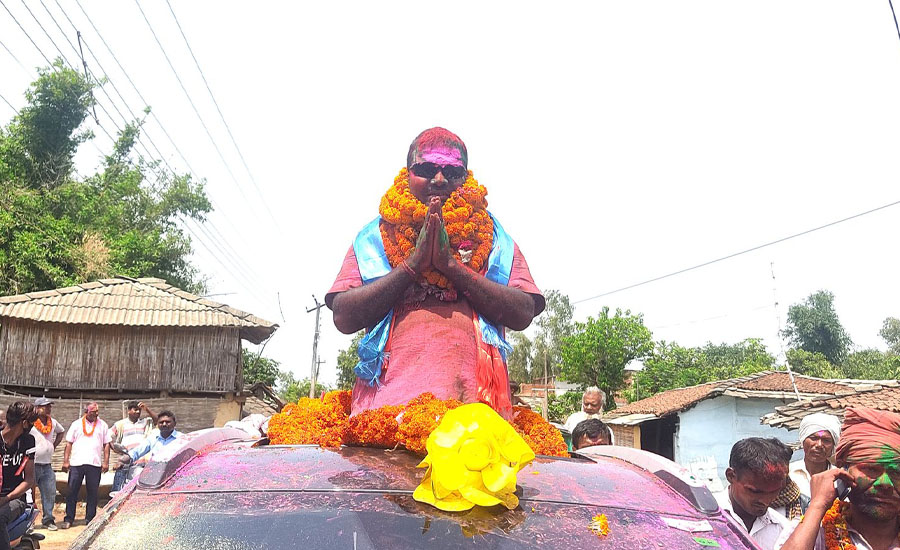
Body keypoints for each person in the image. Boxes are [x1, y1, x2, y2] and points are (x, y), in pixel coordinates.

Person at [327, 127, 545, 418]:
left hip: (475, 421)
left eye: (452, 172)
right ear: (407, 173)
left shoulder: (493, 239)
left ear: (466, 178)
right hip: (385, 418)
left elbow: (523, 313)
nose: (440, 179)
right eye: (427, 168)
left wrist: (450, 267)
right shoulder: (375, 238)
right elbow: (343, 316)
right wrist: (412, 266)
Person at [779, 408, 900, 550]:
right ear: (843, 470)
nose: (885, 484)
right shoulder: (811, 531)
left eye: (897, 472)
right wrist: (818, 505)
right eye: (871, 469)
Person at [716, 437, 793, 550]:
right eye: (755, 491)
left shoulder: (783, 530)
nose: (766, 501)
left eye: (774, 491)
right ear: (731, 476)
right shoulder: (700, 520)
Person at [61, 402, 111, 529]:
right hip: (77, 463)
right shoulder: (76, 424)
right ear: (86, 412)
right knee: (72, 491)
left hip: (94, 464)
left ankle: (90, 519)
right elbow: (69, 443)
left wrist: (106, 462)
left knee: (93, 492)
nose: (96, 414)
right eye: (93, 412)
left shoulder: (103, 425)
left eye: (97, 411)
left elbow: (106, 445)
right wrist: (66, 461)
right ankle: (69, 518)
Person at [0, 402, 38, 550]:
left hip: (16, 498)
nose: (32, 426)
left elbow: (29, 480)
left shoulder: (27, 442)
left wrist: (6, 498)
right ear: (24, 423)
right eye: (32, 422)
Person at [30, 397, 65, 530]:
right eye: (45, 406)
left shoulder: (53, 422)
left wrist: (53, 445)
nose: (48, 408)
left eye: (50, 406)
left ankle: (48, 520)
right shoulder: (30, 422)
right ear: (37, 408)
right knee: (29, 494)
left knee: (50, 492)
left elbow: (61, 432)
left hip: (47, 464)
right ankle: (29, 521)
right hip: (31, 464)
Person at [789, 413, 841, 498]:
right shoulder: (788, 473)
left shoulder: (840, 480)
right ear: (803, 440)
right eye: (813, 438)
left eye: (826, 440)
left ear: (833, 445)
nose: (819, 445)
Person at [110, 401, 158, 492]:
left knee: (139, 485)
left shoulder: (145, 422)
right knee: (121, 487)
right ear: (128, 411)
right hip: (126, 460)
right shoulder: (121, 424)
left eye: (139, 410)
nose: (138, 412)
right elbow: (108, 436)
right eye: (135, 410)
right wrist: (115, 448)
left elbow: (157, 421)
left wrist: (146, 409)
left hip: (141, 460)